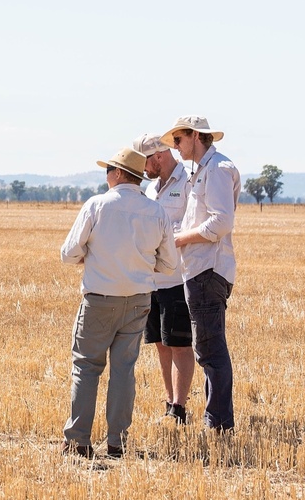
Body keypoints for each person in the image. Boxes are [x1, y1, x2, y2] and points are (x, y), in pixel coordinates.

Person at [59, 146, 179, 458]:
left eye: (108, 170)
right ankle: (117, 442)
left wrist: (93, 255)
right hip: (139, 301)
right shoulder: (157, 211)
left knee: (86, 368)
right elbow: (169, 265)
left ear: (118, 173)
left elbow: (68, 253)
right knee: (124, 371)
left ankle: (78, 441)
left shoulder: (97, 205)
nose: (107, 175)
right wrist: (139, 263)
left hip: (99, 300)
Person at [160, 116, 240, 431]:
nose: (175, 148)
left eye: (178, 140)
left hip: (208, 268)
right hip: (199, 268)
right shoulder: (205, 169)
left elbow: (220, 223)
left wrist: (179, 239)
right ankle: (216, 419)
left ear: (195, 136)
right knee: (207, 348)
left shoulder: (217, 169)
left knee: (210, 349)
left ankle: (218, 423)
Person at [133, 133, 195, 424]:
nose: (142, 169)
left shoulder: (188, 183)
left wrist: (158, 237)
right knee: (160, 342)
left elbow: (189, 225)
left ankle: (180, 409)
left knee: (180, 344)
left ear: (158, 156)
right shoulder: (150, 190)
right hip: (152, 280)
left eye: (144, 161)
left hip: (177, 278)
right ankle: (169, 402)